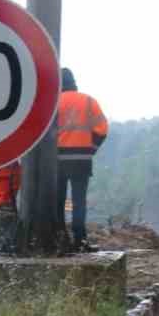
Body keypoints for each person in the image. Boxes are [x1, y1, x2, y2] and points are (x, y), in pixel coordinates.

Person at [56, 68, 109, 251]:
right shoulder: (88, 101)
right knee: (79, 201)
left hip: (57, 160)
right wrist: (90, 149)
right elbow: (102, 130)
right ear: (74, 82)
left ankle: (60, 240)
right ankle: (80, 241)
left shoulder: (53, 103)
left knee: (58, 200)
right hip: (81, 160)